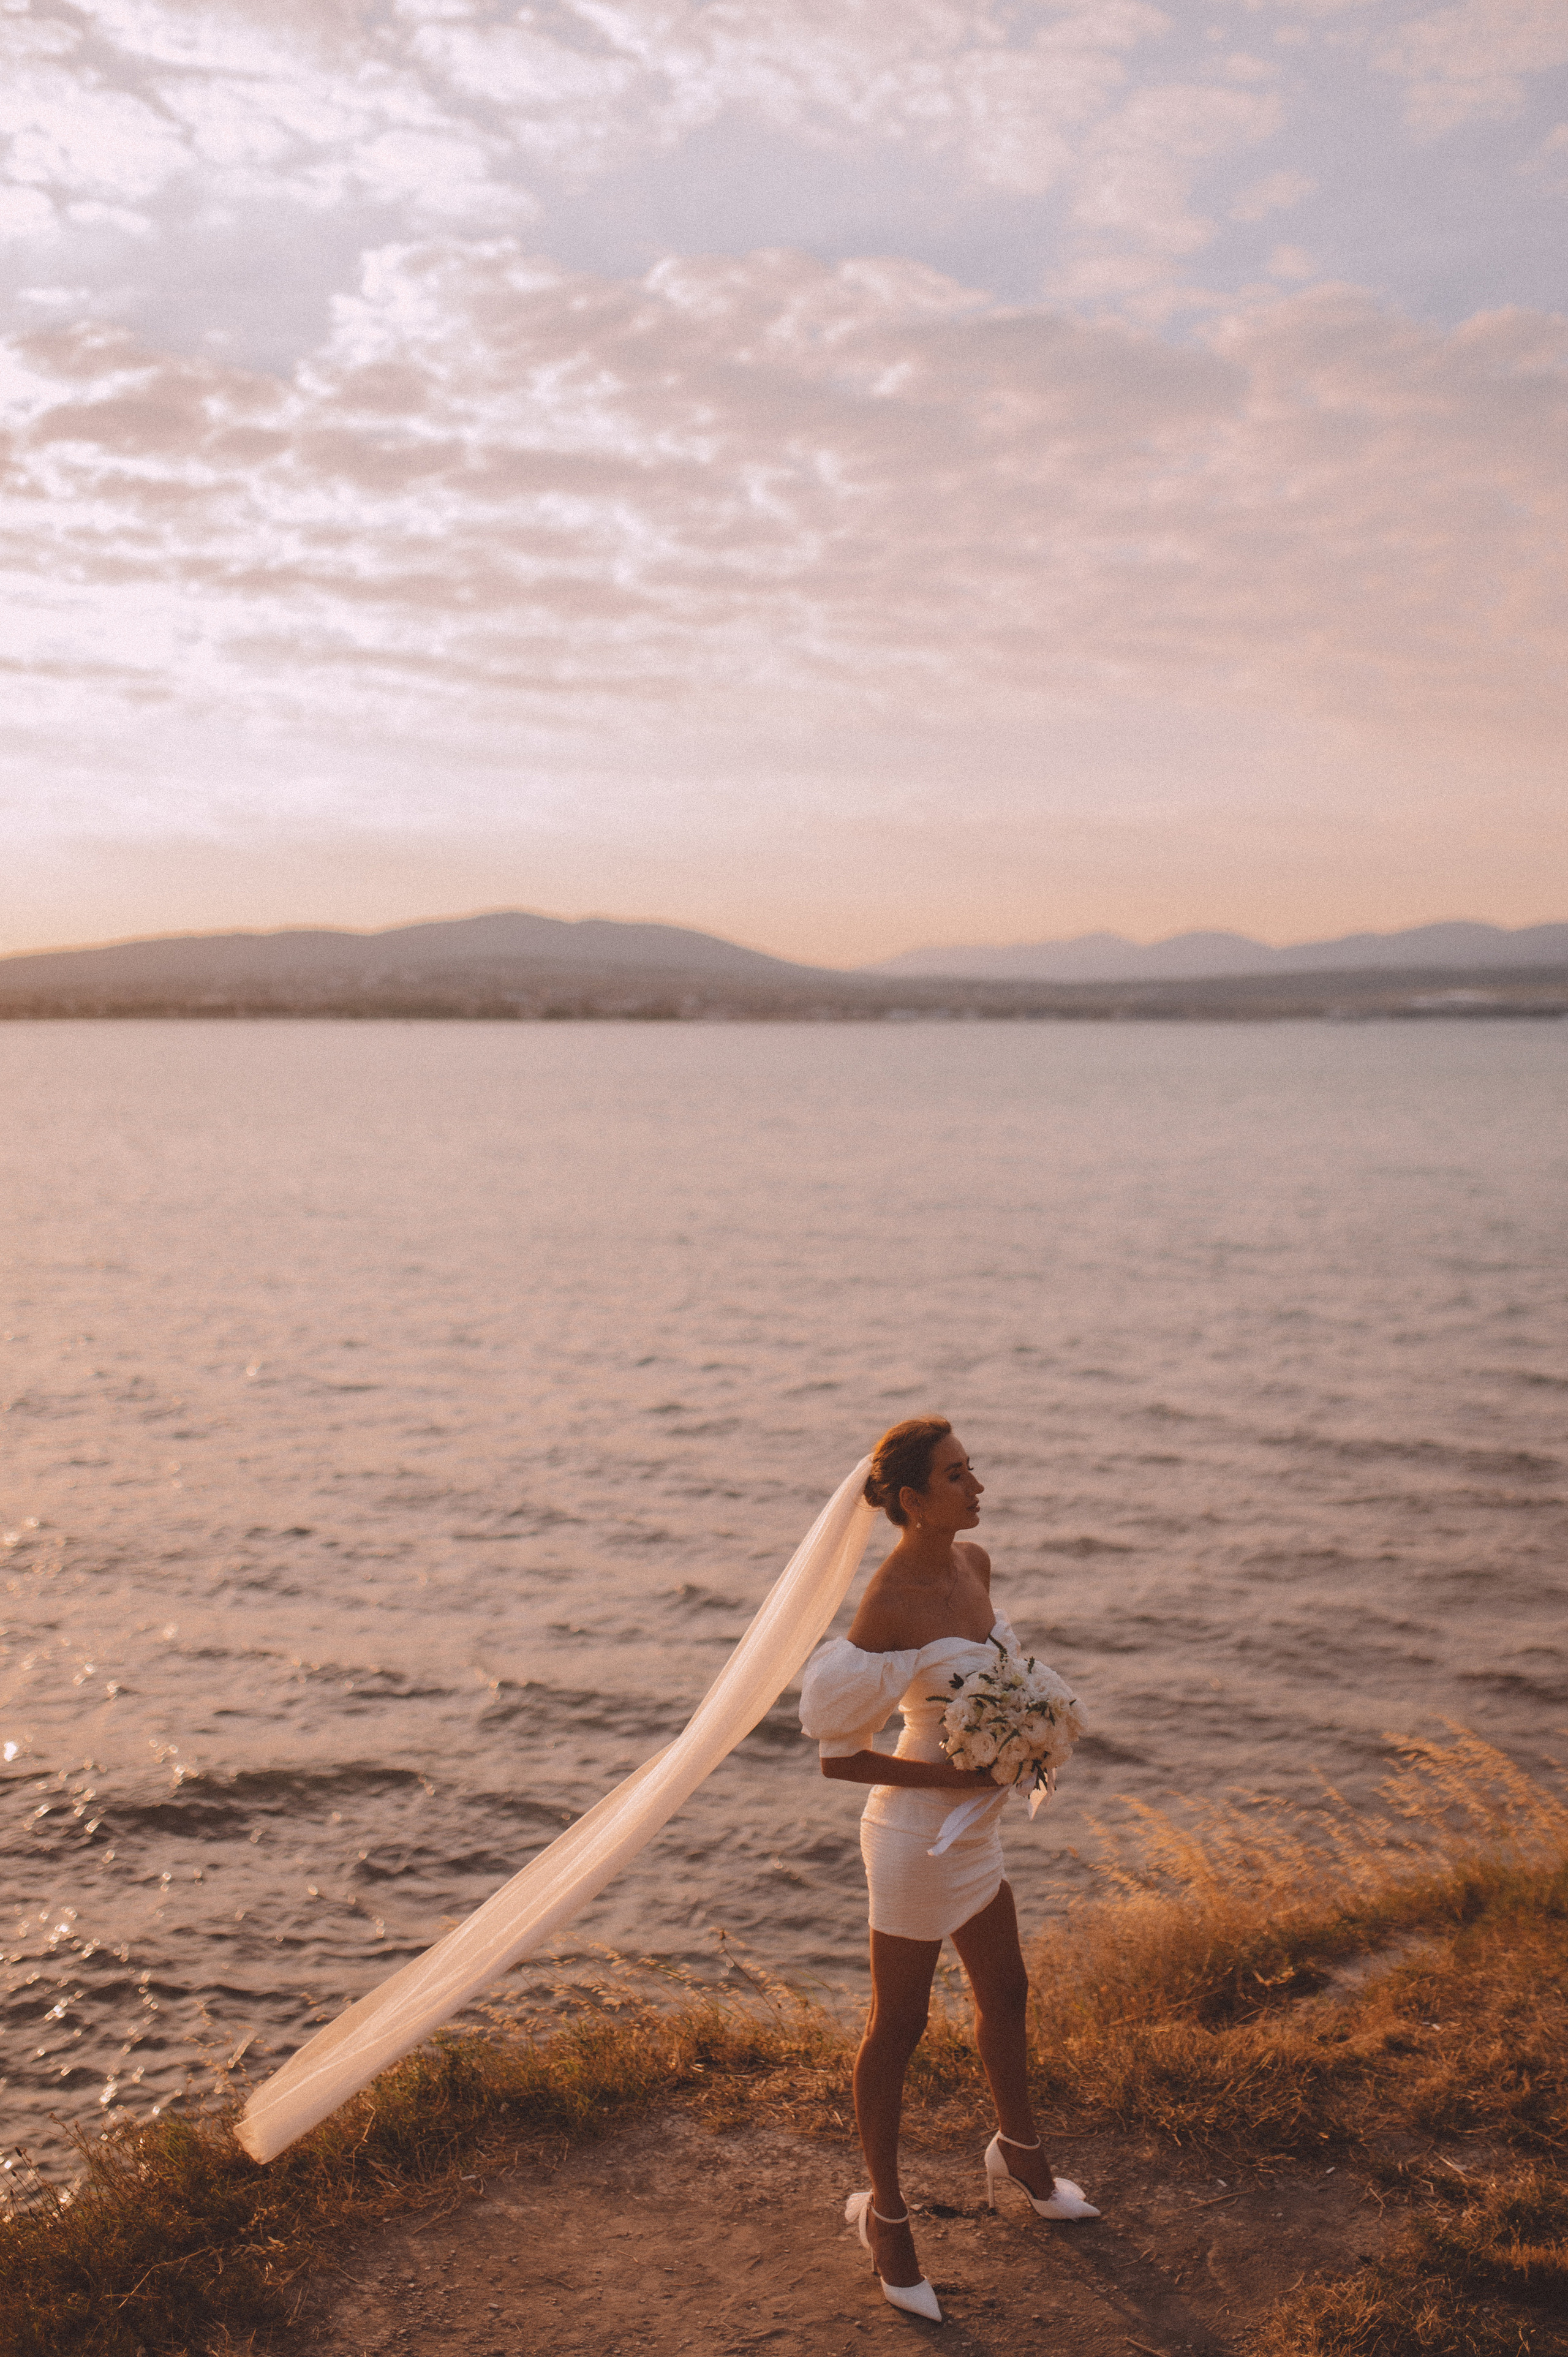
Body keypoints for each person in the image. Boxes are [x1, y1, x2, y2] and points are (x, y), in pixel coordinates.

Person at [799, 1417, 1098, 2323]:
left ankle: (1020, 2153)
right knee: (902, 2024)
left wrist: (1023, 1739)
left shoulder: (976, 1567)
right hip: (911, 1838)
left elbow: (995, 1680)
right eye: (959, 1477)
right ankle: (887, 2220)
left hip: (974, 1828)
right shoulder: (889, 1605)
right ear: (911, 1502)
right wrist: (948, 1773)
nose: (979, 1490)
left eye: (975, 1470)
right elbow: (837, 1758)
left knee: (1007, 1992)